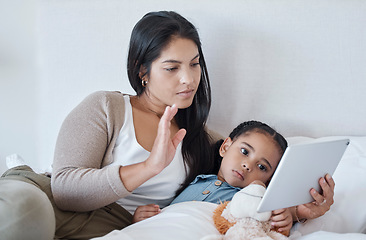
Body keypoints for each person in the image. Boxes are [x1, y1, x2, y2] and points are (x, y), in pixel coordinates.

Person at [0, 11, 335, 239]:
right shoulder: (106, 107)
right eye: (172, 68)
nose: (188, 79)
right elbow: (65, 190)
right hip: (41, 198)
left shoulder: (201, 140)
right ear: (142, 70)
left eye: (194, 65)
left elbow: (246, 179)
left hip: (107, 227)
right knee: (22, 215)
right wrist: (149, 166)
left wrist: (299, 209)